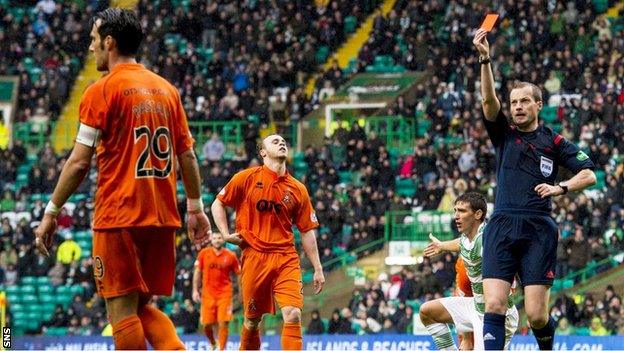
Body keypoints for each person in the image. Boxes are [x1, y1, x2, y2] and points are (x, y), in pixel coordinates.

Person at [33, 8, 210, 350]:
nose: (90, 48)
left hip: (119, 215)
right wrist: (195, 207)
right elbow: (186, 155)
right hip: (161, 218)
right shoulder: (167, 90)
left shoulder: (102, 90)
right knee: (142, 306)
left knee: (120, 310)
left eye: (94, 40)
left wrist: (51, 211)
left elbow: (79, 162)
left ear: (109, 42)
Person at [472, 28, 596, 350]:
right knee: (495, 303)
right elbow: (488, 100)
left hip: (538, 227)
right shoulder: (504, 135)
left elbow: (589, 174)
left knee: (536, 314)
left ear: (539, 104)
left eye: (525, 100)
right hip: (501, 224)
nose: (517, 107)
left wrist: (561, 188)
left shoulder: (553, 142)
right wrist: (485, 58)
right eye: (513, 102)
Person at [211, 134, 325, 350]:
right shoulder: (246, 178)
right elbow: (218, 204)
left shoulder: (298, 189)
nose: (282, 143)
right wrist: (225, 234)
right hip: (254, 256)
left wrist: (318, 268)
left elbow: (307, 231)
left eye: (283, 141)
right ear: (262, 152)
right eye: (275, 141)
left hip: (286, 258)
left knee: (293, 314)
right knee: (252, 321)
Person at [420, 192, 519, 350]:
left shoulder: (488, 237)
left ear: (478, 214)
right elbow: (461, 243)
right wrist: (442, 246)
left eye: (462, 211)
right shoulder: (467, 237)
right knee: (427, 312)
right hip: (475, 306)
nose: (456, 216)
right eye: (455, 211)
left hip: (497, 315)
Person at [192, 232, 240, 350]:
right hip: (207, 294)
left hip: (225, 293)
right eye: (215, 238)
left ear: (223, 240)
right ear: (211, 240)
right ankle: (213, 343)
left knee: (223, 322)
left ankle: (222, 348)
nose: (217, 240)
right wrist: (195, 290)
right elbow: (197, 272)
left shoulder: (231, 255)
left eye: (219, 238)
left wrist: (241, 293)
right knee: (206, 324)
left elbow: (239, 274)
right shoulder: (203, 253)